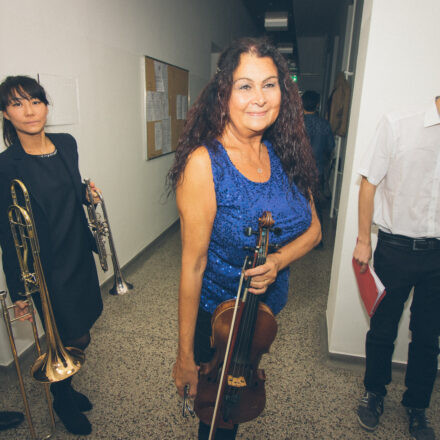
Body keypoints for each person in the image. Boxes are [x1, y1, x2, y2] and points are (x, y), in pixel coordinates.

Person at [169, 37, 321, 439]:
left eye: (269, 84)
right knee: (217, 414)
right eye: (245, 85)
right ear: (224, 92)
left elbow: (315, 231)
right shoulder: (205, 163)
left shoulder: (285, 152)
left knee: (237, 401)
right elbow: (193, 265)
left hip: (264, 316)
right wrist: (184, 355)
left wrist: (277, 262)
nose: (259, 97)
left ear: (283, 93)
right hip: (217, 320)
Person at [0, 76, 103, 436]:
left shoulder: (65, 144)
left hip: (77, 254)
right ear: (5, 114)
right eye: (17, 104)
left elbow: (69, 190)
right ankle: (62, 396)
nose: (29, 110)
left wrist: (85, 194)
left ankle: (67, 387)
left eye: (35, 101)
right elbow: (7, 231)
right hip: (46, 268)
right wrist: (18, 291)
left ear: (46, 105)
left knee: (84, 327)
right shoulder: (6, 164)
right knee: (65, 333)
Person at [353, 97, 440, 440]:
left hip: (438, 255)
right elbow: (369, 183)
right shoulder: (398, 122)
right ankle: (374, 393)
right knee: (383, 328)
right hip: (396, 247)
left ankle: (417, 406)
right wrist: (363, 239)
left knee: (428, 336)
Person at [302, 90, 335, 248]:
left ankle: (294, 240)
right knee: (316, 206)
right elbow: (330, 147)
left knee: (294, 204)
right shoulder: (324, 124)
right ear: (317, 105)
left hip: (295, 171)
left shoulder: (295, 123)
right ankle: (318, 240)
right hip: (317, 170)